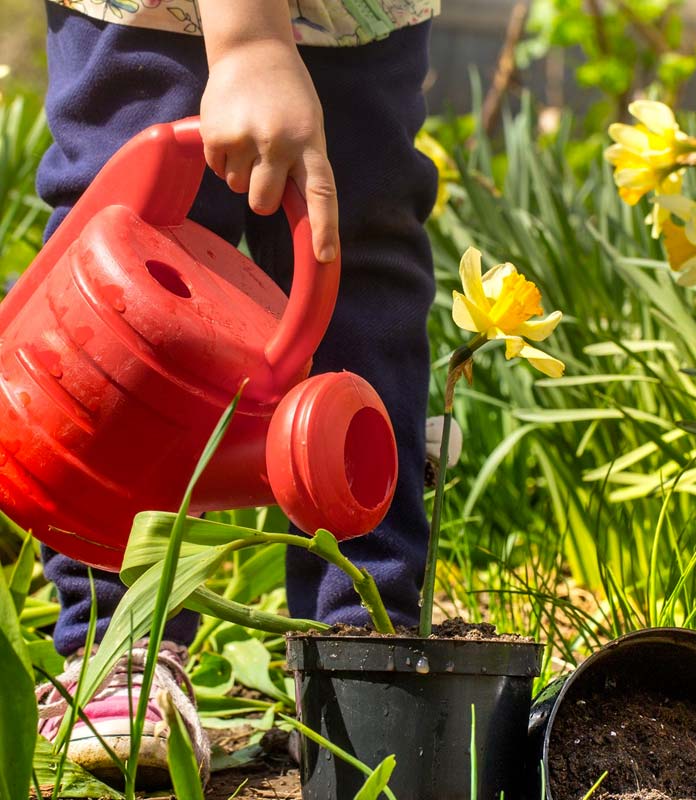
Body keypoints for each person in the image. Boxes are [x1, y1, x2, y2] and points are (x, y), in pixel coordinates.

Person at [31, 0, 447, 785]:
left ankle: (358, 646)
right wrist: (250, 40)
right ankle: (120, 646)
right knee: (134, 275)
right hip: (163, 18)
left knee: (356, 269)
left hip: (360, 19)